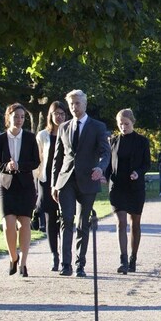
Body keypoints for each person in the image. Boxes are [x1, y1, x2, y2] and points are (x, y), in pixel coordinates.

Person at [52, 89, 111, 278]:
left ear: (85, 104)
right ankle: (66, 264)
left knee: (82, 222)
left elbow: (105, 152)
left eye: (77, 103)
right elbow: (57, 158)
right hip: (66, 180)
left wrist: (101, 168)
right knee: (66, 220)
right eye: (71, 104)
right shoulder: (63, 127)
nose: (74, 107)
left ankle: (80, 265)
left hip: (88, 179)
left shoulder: (98, 127)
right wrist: (54, 184)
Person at [0, 103, 40, 278]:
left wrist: (20, 165)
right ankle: (13, 257)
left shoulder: (29, 138)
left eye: (22, 117)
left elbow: (36, 162)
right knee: (8, 224)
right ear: (8, 117)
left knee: (25, 223)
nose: (19, 120)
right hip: (6, 186)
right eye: (16, 116)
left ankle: (24, 264)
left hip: (26, 186)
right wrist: (7, 166)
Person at [106, 108, 151, 274]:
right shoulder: (113, 141)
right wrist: (104, 176)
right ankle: (123, 259)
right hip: (117, 187)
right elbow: (108, 164)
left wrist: (138, 172)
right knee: (121, 222)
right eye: (120, 124)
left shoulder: (142, 141)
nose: (123, 127)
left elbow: (147, 163)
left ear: (132, 123)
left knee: (135, 223)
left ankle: (133, 258)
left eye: (126, 124)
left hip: (135, 187)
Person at [35, 101, 68, 272]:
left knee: (66, 218)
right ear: (50, 115)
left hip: (64, 180)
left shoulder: (69, 133)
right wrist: (36, 181)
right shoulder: (43, 135)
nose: (59, 117)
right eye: (56, 113)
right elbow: (38, 159)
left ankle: (66, 256)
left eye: (62, 114)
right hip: (46, 180)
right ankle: (55, 255)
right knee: (49, 219)